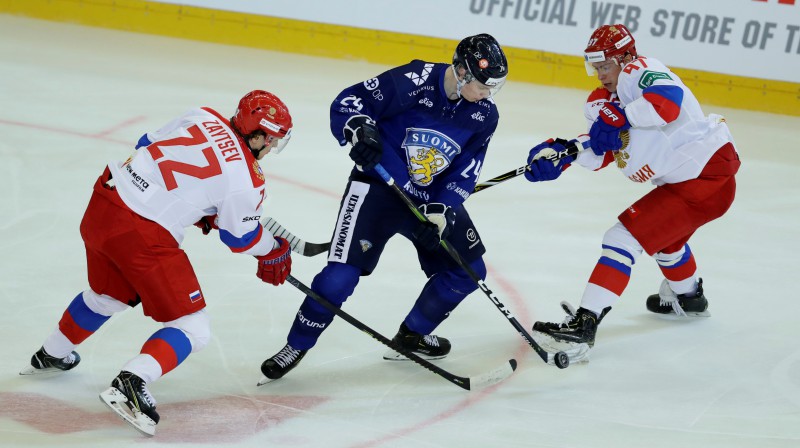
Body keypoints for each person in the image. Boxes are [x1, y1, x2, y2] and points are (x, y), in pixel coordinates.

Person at [19, 90, 296, 436]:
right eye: (271, 141)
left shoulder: (203, 114)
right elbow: (241, 238)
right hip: (141, 233)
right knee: (193, 327)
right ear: (259, 134)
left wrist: (197, 203)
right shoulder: (247, 179)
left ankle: (51, 353)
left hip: (104, 201)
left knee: (107, 296)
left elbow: (146, 144)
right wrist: (273, 249)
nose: (270, 149)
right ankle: (131, 383)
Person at [258, 34, 509, 383]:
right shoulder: (415, 79)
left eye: (492, 88)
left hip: (427, 200)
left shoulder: (485, 114)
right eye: (483, 86)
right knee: (338, 277)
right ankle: (297, 345)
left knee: (467, 271)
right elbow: (349, 102)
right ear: (463, 72)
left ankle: (412, 334)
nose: (487, 95)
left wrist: (440, 211)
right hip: (377, 186)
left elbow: (467, 168)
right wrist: (360, 129)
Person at [524, 24, 740, 362]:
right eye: (595, 67)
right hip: (698, 179)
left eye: (604, 65)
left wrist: (621, 117)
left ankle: (585, 323)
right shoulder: (605, 101)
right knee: (668, 242)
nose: (599, 75)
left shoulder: (641, 70)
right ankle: (689, 297)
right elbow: (604, 150)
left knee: (623, 238)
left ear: (624, 57)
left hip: (704, 175)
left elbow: (667, 103)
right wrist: (564, 153)